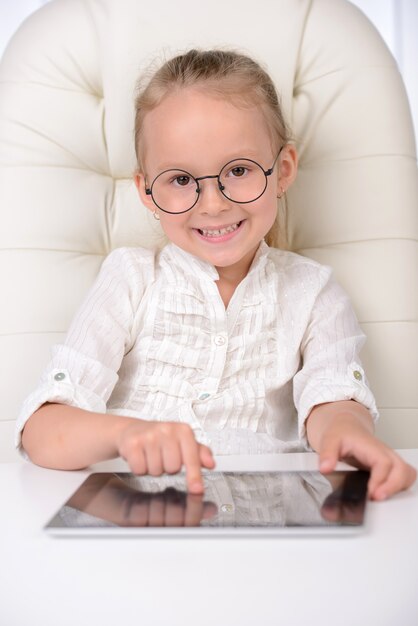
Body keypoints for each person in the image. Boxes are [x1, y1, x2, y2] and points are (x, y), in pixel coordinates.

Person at [17, 49, 416, 500]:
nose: (213, 204)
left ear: (283, 170)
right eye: (182, 179)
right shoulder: (130, 279)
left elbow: (332, 399)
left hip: (267, 521)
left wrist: (351, 436)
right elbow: (42, 430)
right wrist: (123, 434)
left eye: (240, 170)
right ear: (147, 192)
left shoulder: (312, 290)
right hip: (138, 522)